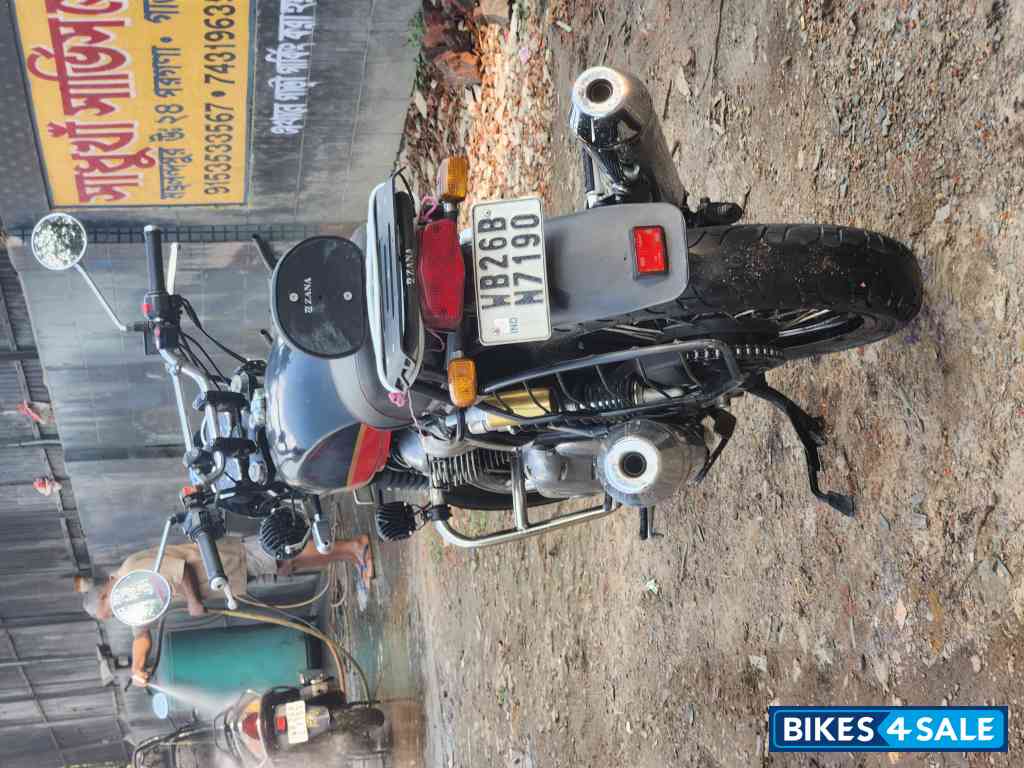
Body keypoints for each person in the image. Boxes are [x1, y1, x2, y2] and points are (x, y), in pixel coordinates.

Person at [83, 534, 373, 687]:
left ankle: (355, 546)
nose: (116, 614)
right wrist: (136, 667)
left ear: (106, 593)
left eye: (110, 609)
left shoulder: (133, 571)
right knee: (288, 567)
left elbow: (180, 570)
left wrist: (194, 602)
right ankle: (351, 555)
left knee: (281, 557)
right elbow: (141, 634)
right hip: (224, 581)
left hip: (222, 561)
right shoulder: (131, 599)